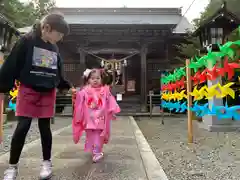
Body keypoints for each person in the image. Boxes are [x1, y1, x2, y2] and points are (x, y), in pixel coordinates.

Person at [0, 13, 73, 180]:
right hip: (28, 89)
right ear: (47, 28)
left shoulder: (54, 48)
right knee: (22, 127)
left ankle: (46, 163)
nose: (60, 38)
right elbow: (12, 63)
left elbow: (57, 70)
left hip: (48, 91)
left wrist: (64, 85)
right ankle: (12, 167)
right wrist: (3, 85)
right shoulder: (26, 41)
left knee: (45, 128)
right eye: (59, 34)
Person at [72, 69, 120, 162]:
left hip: (100, 118)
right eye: (92, 78)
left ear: (102, 79)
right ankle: (95, 150)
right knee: (90, 135)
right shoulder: (84, 91)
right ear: (88, 80)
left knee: (99, 135)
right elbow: (79, 103)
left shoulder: (105, 91)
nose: (95, 80)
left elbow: (110, 102)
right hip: (88, 118)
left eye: (98, 78)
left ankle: (97, 152)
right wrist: (75, 95)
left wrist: (112, 112)